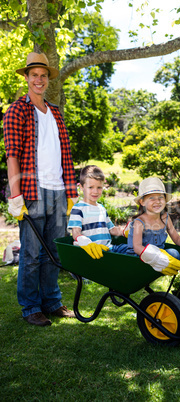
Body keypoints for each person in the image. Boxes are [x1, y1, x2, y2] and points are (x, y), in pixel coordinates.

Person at [3, 52, 78, 327]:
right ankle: (31, 306)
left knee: (54, 252)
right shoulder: (16, 111)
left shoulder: (56, 113)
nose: (39, 79)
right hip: (33, 192)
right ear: (26, 77)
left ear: (48, 80)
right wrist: (15, 196)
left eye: (43, 75)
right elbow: (12, 155)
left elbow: (65, 155)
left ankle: (52, 301)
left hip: (58, 191)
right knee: (32, 254)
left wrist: (71, 191)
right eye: (33, 75)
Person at [126, 177, 180, 275]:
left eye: (160, 197)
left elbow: (176, 238)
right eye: (151, 198)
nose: (157, 201)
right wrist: (156, 257)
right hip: (138, 258)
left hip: (159, 255)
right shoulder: (139, 222)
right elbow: (137, 247)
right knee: (172, 253)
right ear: (142, 202)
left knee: (174, 253)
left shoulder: (165, 217)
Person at [68, 165, 128, 257]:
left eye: (99, 187)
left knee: (132, 249)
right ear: (81, 187)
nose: (95, 191)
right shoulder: (78, 208)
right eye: (90, 187)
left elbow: (112, 230)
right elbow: (76, 232)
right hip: (93, 251)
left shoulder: (101, 208)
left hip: (109, 248)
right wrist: (84, 241)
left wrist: (125, 231)